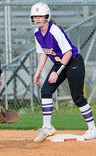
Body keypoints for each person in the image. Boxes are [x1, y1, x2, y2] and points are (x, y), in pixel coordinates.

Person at [30, 2, 96, 143]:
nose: (38, 19)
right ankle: (47, 127)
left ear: (47, 16)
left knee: (77, 97)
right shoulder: (36, 32)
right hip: (60, 62)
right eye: (35, 16)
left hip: (73, 62)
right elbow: (43, 53)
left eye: (41, 16)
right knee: (46, 91)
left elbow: (68, 52)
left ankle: (92, 129)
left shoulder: (54, 30)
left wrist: (57, 72)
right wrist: (38, 72)